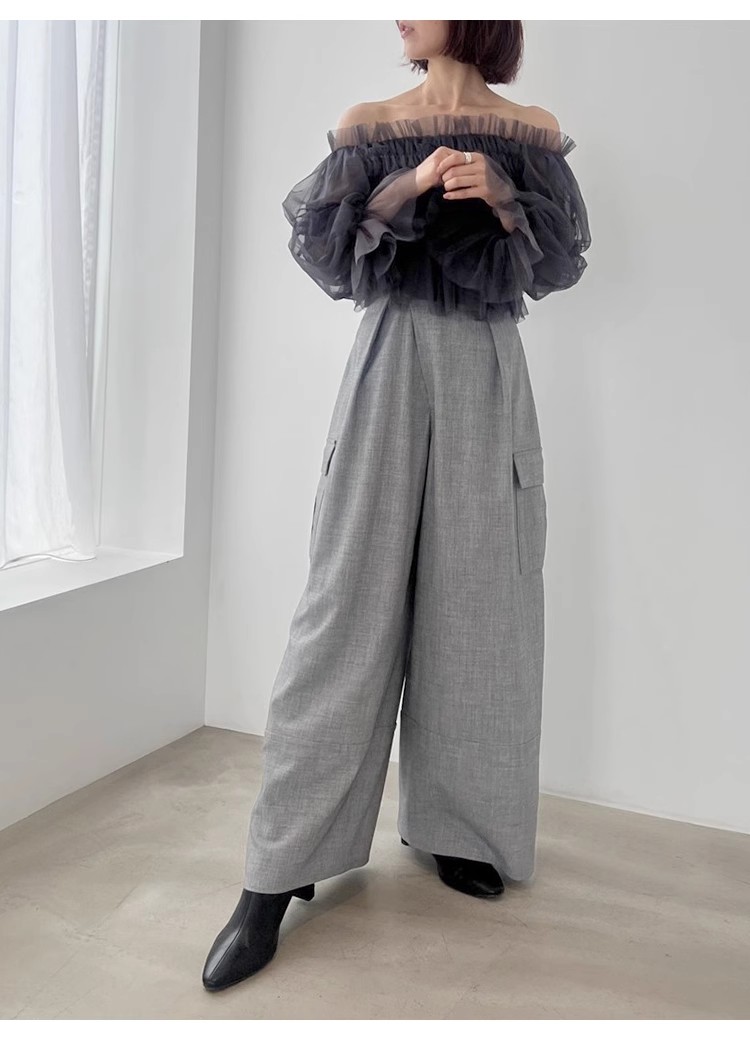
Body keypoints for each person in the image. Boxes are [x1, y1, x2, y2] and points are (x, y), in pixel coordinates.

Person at [203, 19, 591, 992]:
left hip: (488, 365)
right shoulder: (371, 123)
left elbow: (555, 264)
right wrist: (410, 183)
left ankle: (460, 827)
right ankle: (277, 869)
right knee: (342, 608)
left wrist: (503, 196)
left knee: (484, 605)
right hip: (387, 358)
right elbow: (333, 257)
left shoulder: (533, 133)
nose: (400, 14)